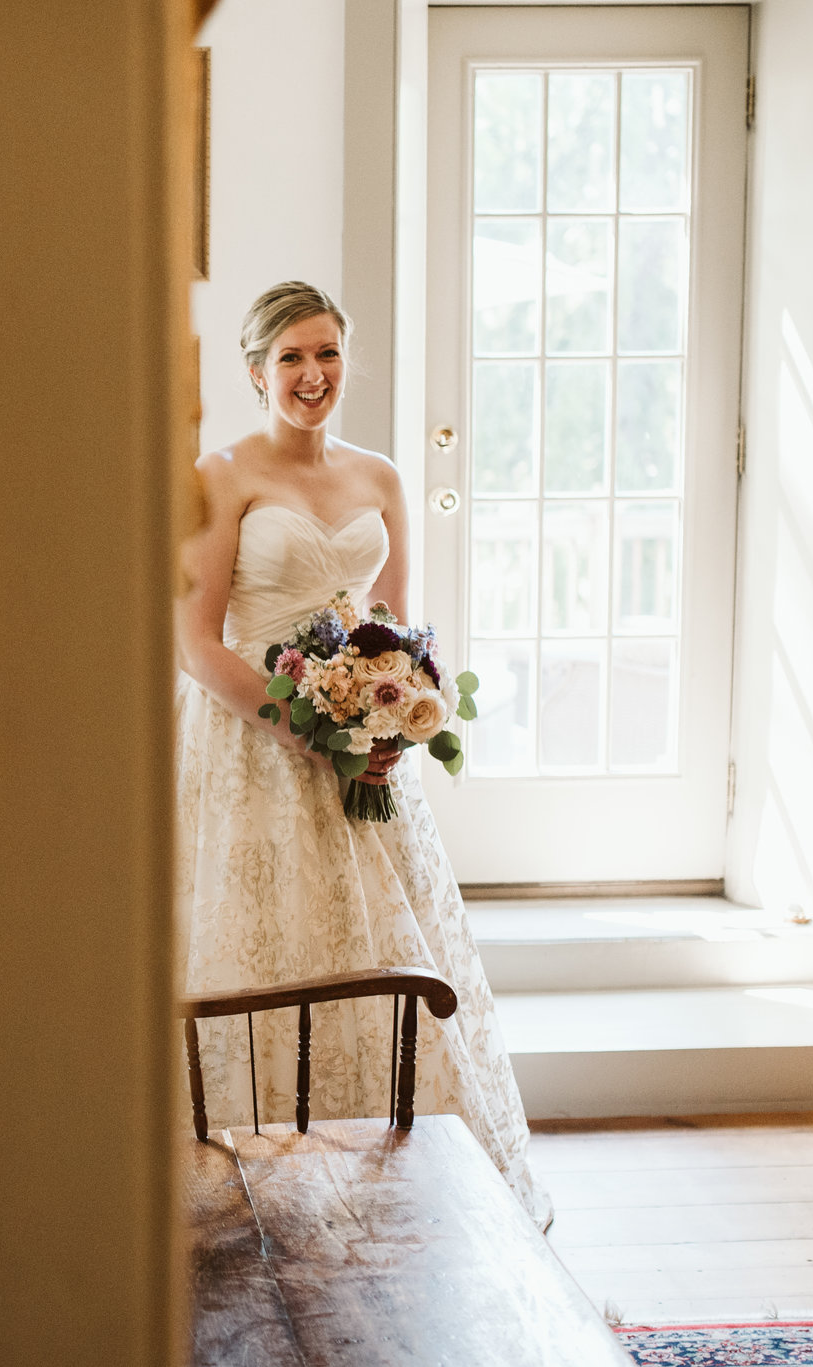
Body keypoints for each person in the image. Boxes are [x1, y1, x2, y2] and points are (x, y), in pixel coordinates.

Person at [175, 281, 547, 1225]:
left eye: (328, 354)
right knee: (258, 940)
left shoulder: (380, 477)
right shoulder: (221, 477)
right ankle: (244, 1195)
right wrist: (307, 727)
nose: (313, 375)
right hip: (250, 747)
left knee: (383, 948)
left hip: (358, 758)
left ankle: (389, 1198)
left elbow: (389, 626)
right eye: (292, 358)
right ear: (255, 370)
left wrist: (391, 718)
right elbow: (198, 643)